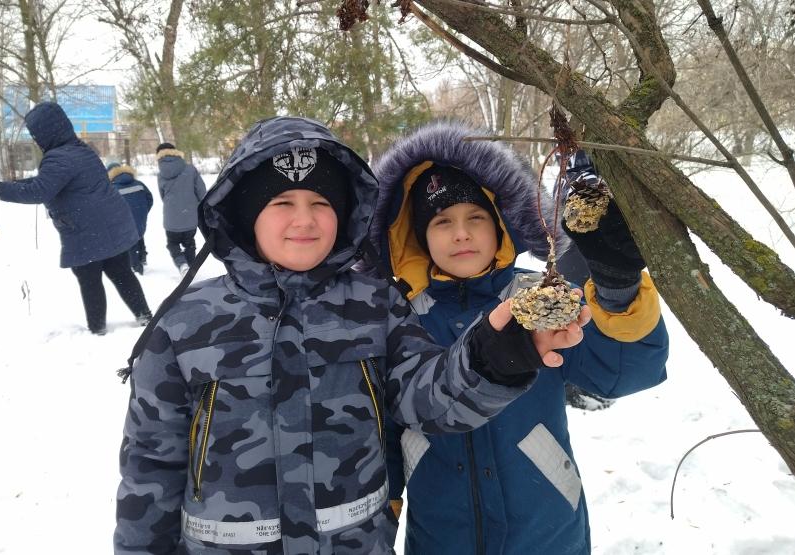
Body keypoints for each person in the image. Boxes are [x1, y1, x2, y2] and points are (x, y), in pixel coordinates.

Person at [113, 116, 592, 555]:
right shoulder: (185, 322)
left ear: (344, 215)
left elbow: (428, 398)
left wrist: (493, 354)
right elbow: (151, 465)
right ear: (244, 213)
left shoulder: (375, 305)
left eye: (321, 202)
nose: (304, 219)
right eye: (282, 203)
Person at [369, 121, 670, 555]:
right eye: (442, 221)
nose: (461, 233)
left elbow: (623, 373)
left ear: (501, 226)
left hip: (546, 534)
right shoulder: (400, 321)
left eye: (475, 217)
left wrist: (618, 286)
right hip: (441, 537)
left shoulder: (541, 299)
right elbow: (386, 438)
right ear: (416, 236)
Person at [0, 101, 151, 335]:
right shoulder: (80, 150)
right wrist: (12, 185)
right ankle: (146, 318)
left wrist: (2, 190)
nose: (35, 139)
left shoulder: (58, 158)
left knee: (89, 280)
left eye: (36, 134)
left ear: (47, 132)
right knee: (122, 273)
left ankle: (98, 331)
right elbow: (49, 183)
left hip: (87, 231)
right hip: (113, 224)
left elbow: (39, 191)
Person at [155, 142, 207, 274]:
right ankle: (191, 268)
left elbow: (163, 195)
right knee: (189, 243)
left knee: (172, 243)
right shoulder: (190, 169)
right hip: (190, 215)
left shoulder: (161, 174)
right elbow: (201, 191)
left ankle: (182, 264)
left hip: (171, 217)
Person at [107, 162, 153, 274]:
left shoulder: (112, 188)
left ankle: (137, 268)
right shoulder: (139, 183)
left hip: (124, 221)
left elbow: (109, 207)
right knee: (139, 235)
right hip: (140, 218)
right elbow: (149, 198)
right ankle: (142, 257)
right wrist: (143, 212)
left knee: (130, 243)